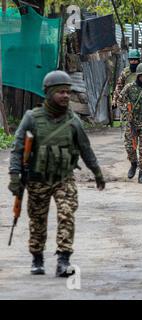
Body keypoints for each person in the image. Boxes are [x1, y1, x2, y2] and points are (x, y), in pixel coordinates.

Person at [8, 70, 106, 277]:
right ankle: (37, 258)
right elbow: (17, 149)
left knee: (67, 214)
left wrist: (97, 173)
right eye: (60, 92)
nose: (65, 96)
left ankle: (63, 259)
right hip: (37, 179)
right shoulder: (32, 119)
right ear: (49, 93)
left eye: (68, 92)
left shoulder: (73, 121)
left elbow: (86, 149)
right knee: (37, 219)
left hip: (64, 178)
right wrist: (15, 177)